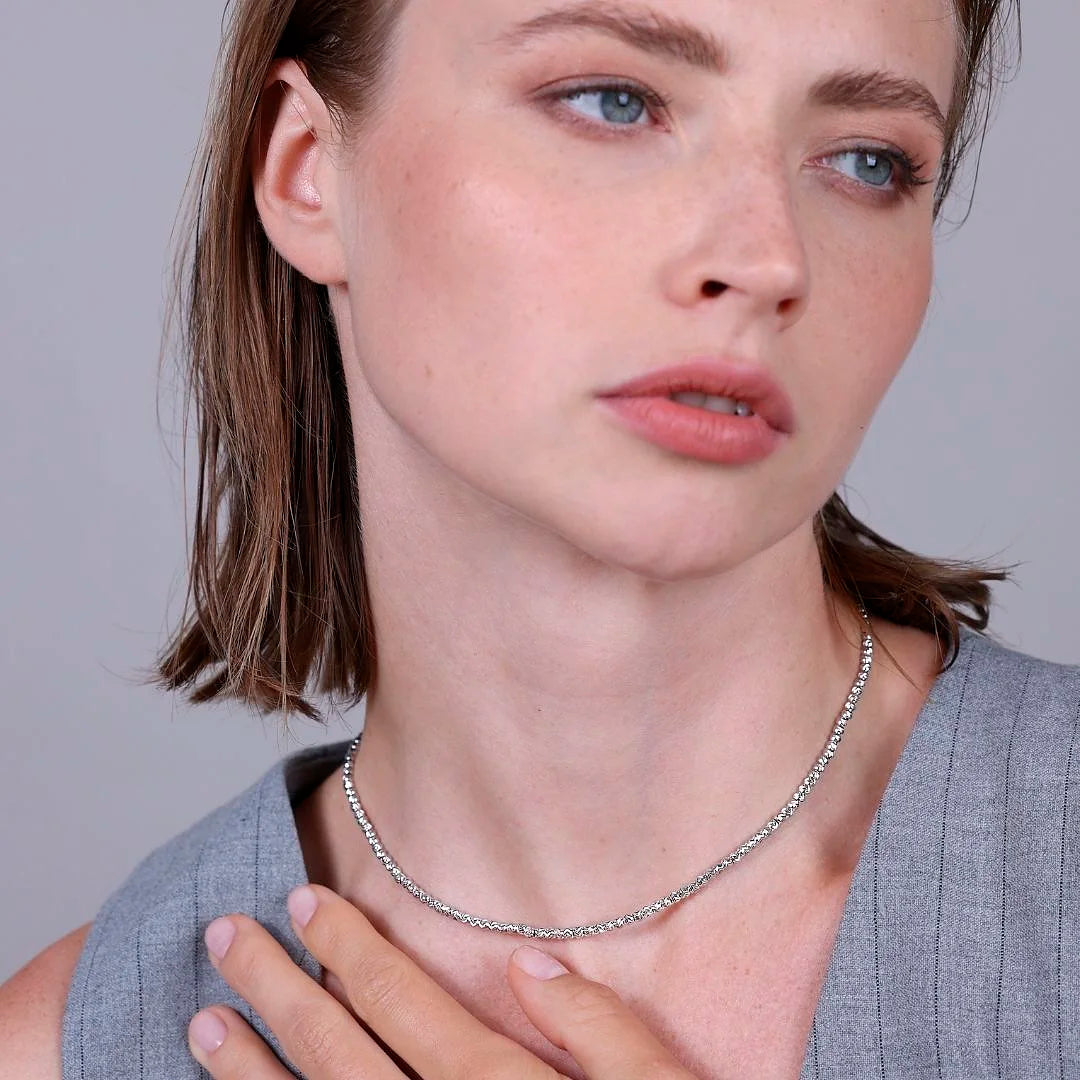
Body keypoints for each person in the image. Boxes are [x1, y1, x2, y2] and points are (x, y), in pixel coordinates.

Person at [3, 0, 1077, 1077]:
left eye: (868, 161)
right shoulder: (71, 1050)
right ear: (306, 172)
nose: (768, 258)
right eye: (614, 103)